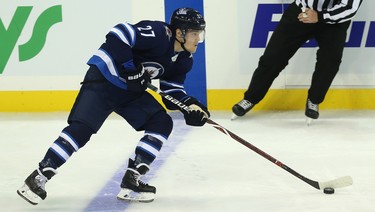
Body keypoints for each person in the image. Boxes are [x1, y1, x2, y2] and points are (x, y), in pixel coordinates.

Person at [17, 7, 209, 204]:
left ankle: (132, 180)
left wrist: (188, 106)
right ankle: (37, 178)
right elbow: (118, 34)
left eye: (199, 33)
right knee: (82, 129)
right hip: (104, 79)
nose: (199, 39)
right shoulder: (159, 34)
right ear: (179, 33)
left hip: (129, 92)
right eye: (195, 33)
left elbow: (171, 92)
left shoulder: (184, 60)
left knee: (161, 122)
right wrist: (130, 68)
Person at [232, 0, 363, 121]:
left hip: (333, 21)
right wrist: (309, 12)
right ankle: (250, 98)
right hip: (302, 11)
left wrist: (320, 16)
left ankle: (314, 100)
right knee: (273, 57)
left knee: (330, 62)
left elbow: (350, 7)